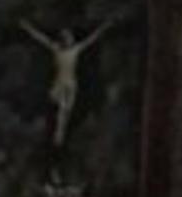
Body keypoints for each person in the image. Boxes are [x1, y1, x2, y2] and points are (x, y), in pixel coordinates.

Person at [20, 15, 118, 148]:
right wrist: (28, 28)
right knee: (62, 107)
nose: (68, 39)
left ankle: (60, 131)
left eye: (69, 37)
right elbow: (41, 38)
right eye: (66, 37)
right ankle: (58, 132)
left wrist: (104, 27)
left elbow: (91, 39)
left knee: (66, 109)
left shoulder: (74, 50)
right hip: (60, 83)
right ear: (63, 39)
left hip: (70, 82)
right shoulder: (57, 49)